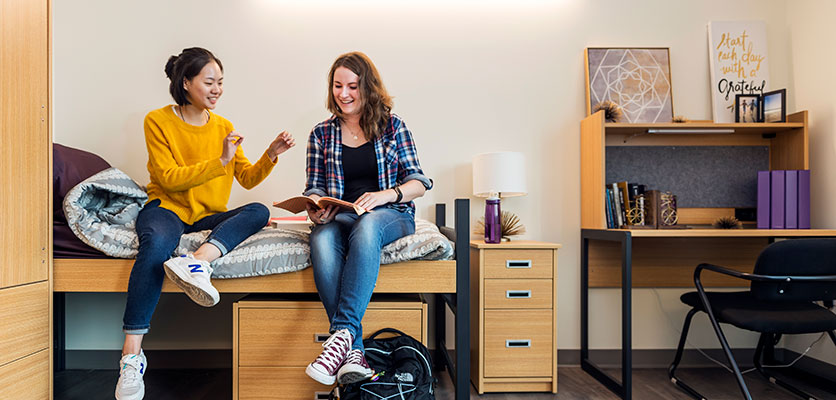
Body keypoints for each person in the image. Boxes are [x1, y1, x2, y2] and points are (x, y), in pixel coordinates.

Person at [115, 47, 295, 400]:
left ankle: (198, 261)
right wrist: (219, 160)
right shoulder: (157, 120)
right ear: (186, 83)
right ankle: (131, 356)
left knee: (258, 210)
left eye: (221, 82)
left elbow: (246, 178)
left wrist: (271, 154)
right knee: (154, 247)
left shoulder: (224, 126)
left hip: (206, 215)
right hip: (167, 208)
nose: (217, 89)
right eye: (209, 82)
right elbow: (168, 178)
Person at [303, 52, 433, 386]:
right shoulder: (321, 134)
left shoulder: (393, 126)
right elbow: (314, 185)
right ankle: (352, 352)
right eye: (337, 86)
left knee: (368, 224)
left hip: (391, 215)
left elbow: (419, 182)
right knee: (320, 236)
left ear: (368, 88)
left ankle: (342, 332)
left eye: (352, 86)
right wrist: (318, 206)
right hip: (343, 216)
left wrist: (385, 195)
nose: (343, 94)